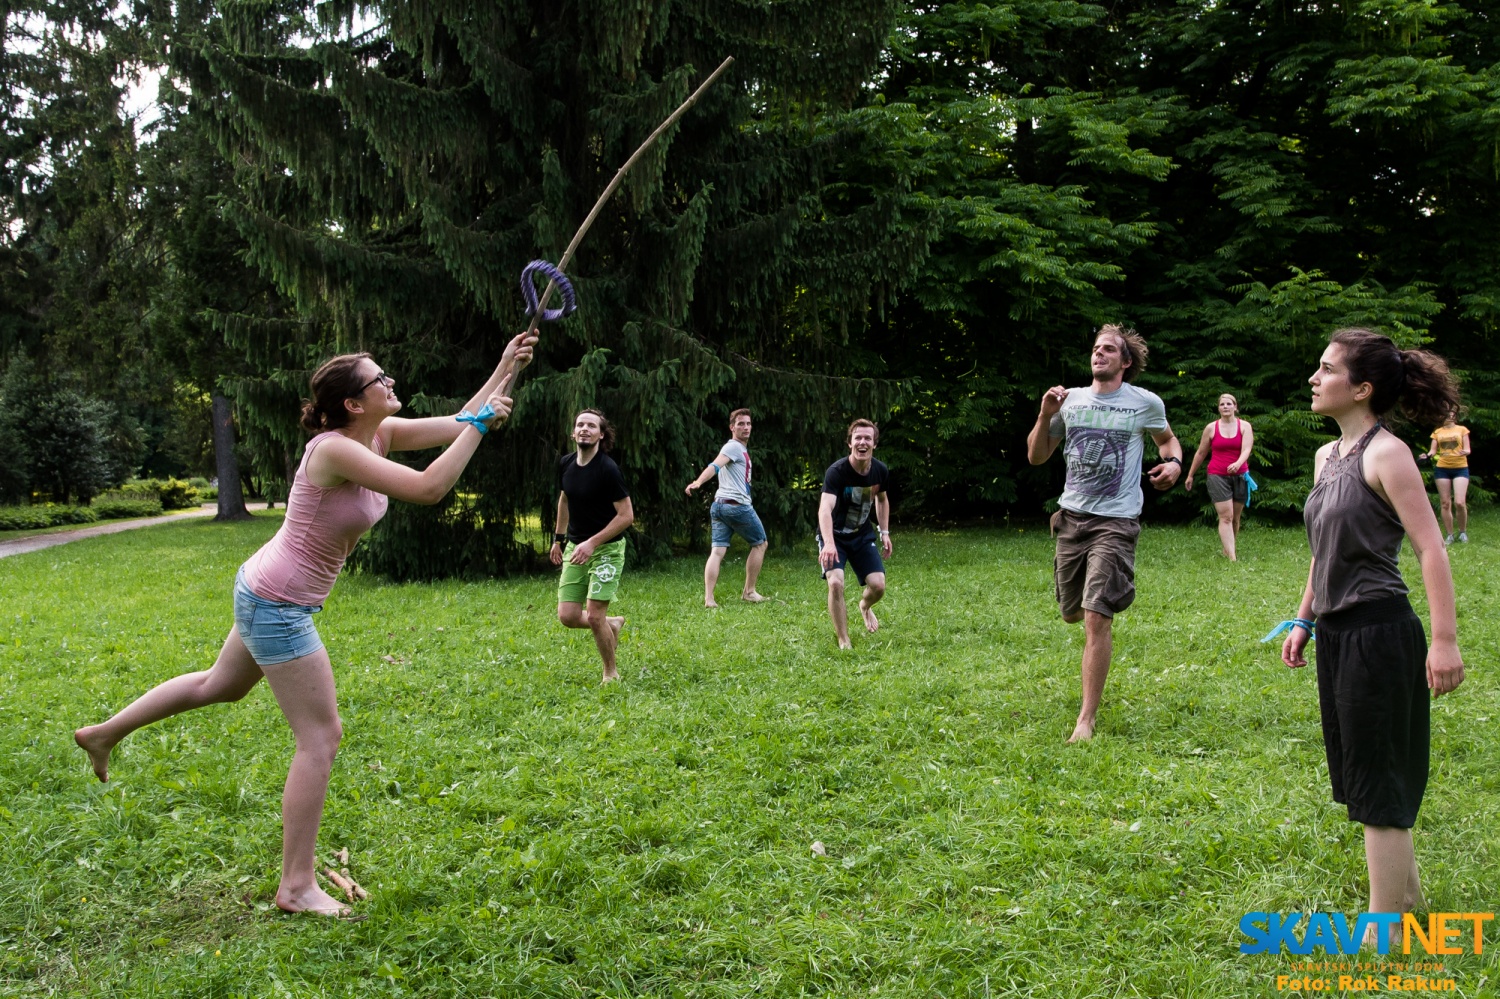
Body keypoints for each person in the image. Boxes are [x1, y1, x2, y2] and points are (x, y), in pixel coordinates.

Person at [74, 333, 536, 916]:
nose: (390, 383)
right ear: (352, 403)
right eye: (379, 380)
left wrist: (503, 364)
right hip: (279, 604)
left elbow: (458, 421)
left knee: (220, 685)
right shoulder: (333, 450)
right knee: (321, 736)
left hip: (265, 586)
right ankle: (296, 886)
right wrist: (484, 426)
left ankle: (103, 733)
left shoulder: (379, 433)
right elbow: (429, 487)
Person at [1280, 327, 1464, 931]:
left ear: (1361, 389)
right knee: (1364, 772)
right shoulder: (1326, 457)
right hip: (1337, 634)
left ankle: (1384, 929)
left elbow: (1431, 548)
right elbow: (1321, 549)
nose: (1314, 377)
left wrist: (1445, 642)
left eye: (1327, 370)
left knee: (1379, 778)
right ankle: (1407, 902)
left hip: (1380, 632)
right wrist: (1304, 618)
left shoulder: (1389, 455)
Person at [1026, 325, 1182, 743]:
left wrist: (1174, 465)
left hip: (1116, 521)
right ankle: (1091, 609)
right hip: (1071, 519)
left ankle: (1086, 719)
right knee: (1071, 612)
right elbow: (1037, 456)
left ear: (1125, 362)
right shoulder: (1070, 401)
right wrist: (1045, 414)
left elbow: (1168, 441)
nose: (1099, 355)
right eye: (1096, 348)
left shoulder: (1144, 403)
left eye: (1109, 350)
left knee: (1097, 617)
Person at [550, 410, 634, 683]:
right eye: (579, 424)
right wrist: (558, 539)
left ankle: (610, 672)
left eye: (591, 425)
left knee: (595, 616)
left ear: (601, 434)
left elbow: (626, 516)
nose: (584, 428)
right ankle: (613, 624)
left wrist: (592, 542)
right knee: (568, 616)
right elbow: (564, 500)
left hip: (607, 549)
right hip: (576, 546)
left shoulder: (608, 469)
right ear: (573, 433)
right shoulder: (565, 464)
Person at [817, 419, 892, 649]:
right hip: (835, 536)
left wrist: (885, 531)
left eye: (867, 438)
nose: (862, 442)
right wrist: (829, 543)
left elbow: (882, 500)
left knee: (878, 586)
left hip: (861, 534)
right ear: (850, 443)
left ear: (874, 444)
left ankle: (864, 606)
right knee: (836, 583)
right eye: (858, 438)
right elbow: (825, 509)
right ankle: (844, 639)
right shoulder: (837, 472)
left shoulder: (879, 471)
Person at [685, 408, 768, 607]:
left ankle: (709, 599)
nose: (746, 427)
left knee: (717, 551)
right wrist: (698, 482)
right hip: (736, 506)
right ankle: (749, 592)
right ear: (732, 427)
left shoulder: (739, 449)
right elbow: (715, 466)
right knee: (760, 544)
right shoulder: (733, 447)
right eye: (741, 424)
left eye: (748, 423)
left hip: (719, 507)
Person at [1184, 393, 1255, 560]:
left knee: (1235, 518)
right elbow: (1201, 452)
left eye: (1229, 404)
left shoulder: (1245, 426)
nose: (1225, 406)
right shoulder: (1211, 428)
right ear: (1218, 408)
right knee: (1226, 516)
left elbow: (1246, 449)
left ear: (1235, 407)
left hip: (1240, 476)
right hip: (1217, 475)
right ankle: (1232, 558)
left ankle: (1228, 548)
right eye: (1222, 404)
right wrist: (1190, 475)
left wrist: (1238, 464)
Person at [1421, 411, 1471, 544]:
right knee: (1445, 503)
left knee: (1460, 502)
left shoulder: (1462, 430)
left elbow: (1468, 449)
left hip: (1461, 468)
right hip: (1442, 469)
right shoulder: (1437, 432)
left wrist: (1466, 451)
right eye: (1446, 414)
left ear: (1455, 416)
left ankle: (1462, 532)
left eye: (1451, 414)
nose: (1449, 416)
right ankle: (1449, 534)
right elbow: (1432, 451)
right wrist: (1426, 456)